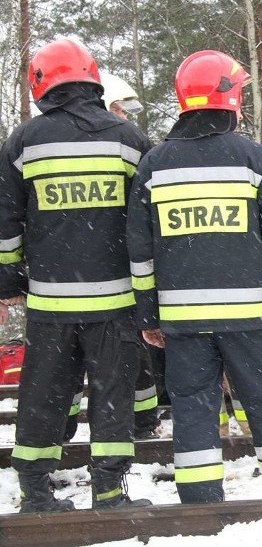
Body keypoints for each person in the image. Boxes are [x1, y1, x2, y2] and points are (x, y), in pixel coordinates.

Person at [126, 49, 262, 503]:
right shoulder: (254, 160)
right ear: (228, 98)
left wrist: (148, 315)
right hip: (249, 317)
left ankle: (200, 504)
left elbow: (140, 252)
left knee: (193, 407)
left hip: (183, 321)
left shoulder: (155, 166)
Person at [0, 38, 153, 512]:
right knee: (112, 397)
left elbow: (6, 224)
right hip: (116, 303)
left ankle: (35, 493)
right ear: (93, 78)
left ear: (41, 86)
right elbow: (148, 223)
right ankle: (108, 492)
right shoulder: (128, 140)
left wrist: (9, 284)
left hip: (49, 305)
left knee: (43, 395)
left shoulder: (23, 143)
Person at [63, 72, 163, 443]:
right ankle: (134, 425)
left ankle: (137, 423)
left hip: (99, 282)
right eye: (121, 110)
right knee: (125, 361)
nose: (125, 118)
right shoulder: (124, 146)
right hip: (117, 284)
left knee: (124, 363)